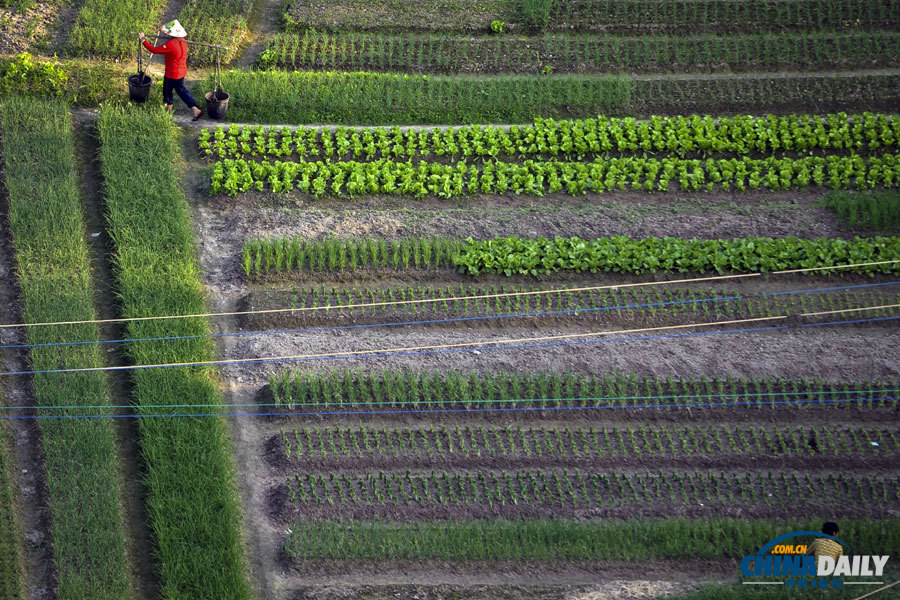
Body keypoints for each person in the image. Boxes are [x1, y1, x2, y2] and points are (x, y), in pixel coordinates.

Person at [139, 20, 202, 120]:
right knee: (182, 90)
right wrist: (161, 29)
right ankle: (195, 110)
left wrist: (143, 40)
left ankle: (168, 114)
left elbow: (155, 50)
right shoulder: (184, 42)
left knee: (167, 92)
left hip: (172, 73)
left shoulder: (171, 44)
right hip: (181, 72)